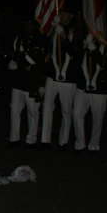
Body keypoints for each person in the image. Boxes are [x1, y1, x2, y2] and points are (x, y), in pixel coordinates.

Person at [40, 9, 79, 151]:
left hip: (69, 78)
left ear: (71, 15)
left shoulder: (75, 31)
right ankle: (45, 141)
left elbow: (73, 51)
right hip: (52, 75)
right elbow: (43, 43)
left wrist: (62, 32)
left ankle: (63, 142)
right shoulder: (55, 28)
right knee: (47, 107)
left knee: (66, 111)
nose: (61, 15)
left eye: (64, 13)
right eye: (60, 13)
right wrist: (52, 26)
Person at [7, 19, 47, 148]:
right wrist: (12, 64)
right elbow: (15, 55)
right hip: (19, 78)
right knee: (15, 108)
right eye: (26, 23)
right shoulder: (19, 39)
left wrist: (42, 82)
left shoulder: (41, 39)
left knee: (33, 111)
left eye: (31, 24)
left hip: (33, 78)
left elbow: (43, 62)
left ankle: (31, 140)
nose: (28, 26)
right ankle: (14, 139)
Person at [71, 32, 107, 153]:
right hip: (83, 85)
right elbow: (75, 60)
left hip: (100, 87)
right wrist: (85, 45)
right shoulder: (83, 42)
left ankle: (94, 143)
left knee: (97, 117)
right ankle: (80, 142)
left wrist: (94, 50)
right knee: (77, 112)